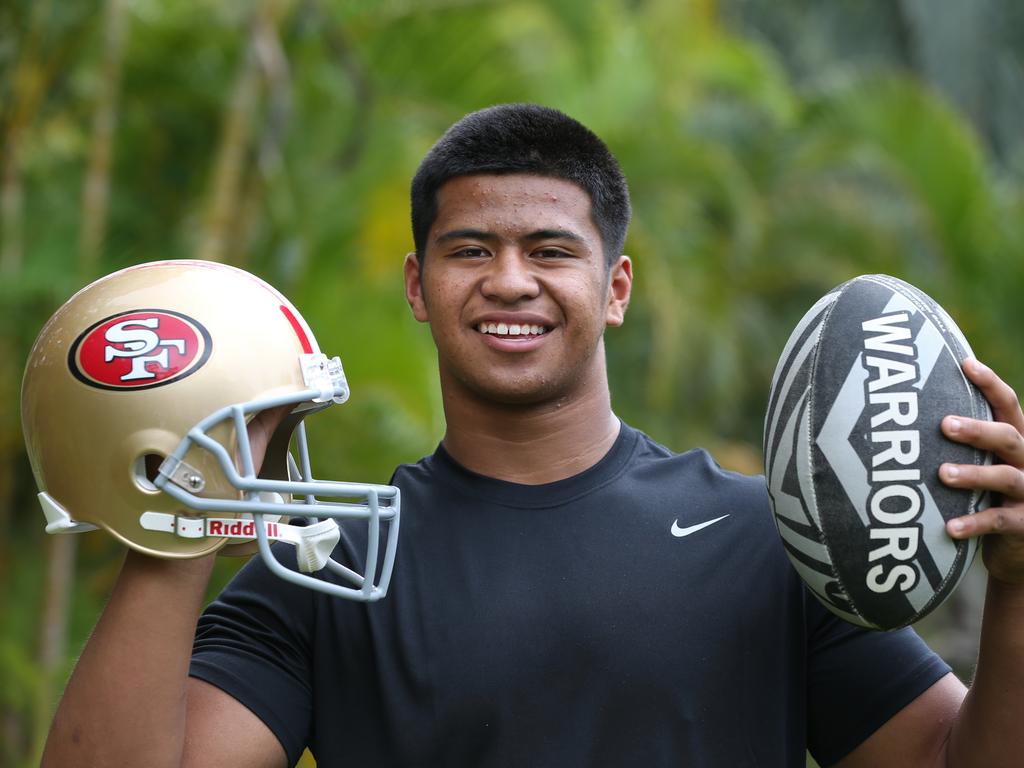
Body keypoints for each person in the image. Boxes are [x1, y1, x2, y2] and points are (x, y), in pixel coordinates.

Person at [39, 104, 1024, 767]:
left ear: (616, 288)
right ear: (419, 288)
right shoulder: (328, 565)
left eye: (550, 249)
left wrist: (1018, 590)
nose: (509, 280)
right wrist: (174, 522)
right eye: (470, 250)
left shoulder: (772, 538)